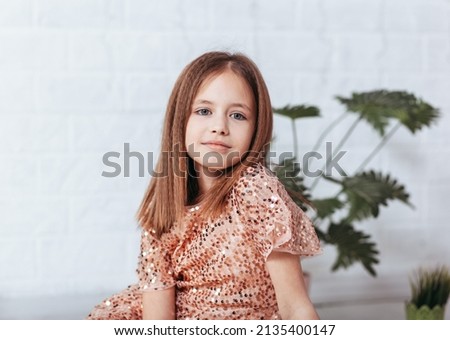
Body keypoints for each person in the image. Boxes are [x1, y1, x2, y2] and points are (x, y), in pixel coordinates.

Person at [87, 51, 321, 320]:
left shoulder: (256, 192)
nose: (219, 126)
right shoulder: (163, 211)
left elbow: (295, 307)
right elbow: (157, 321)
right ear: (181, 120)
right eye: (204, 111)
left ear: (256, 129)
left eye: (237, 115)